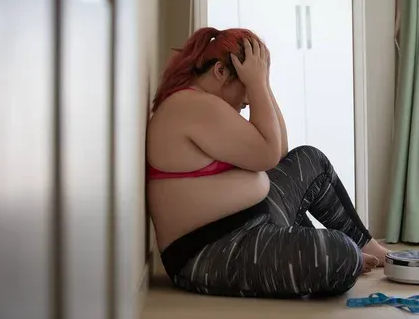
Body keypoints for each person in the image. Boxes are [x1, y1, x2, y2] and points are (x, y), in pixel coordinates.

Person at [146, 27, 389, 298]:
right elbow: (268, 154)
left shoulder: (204, 104)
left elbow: (279, 151)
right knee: (341, 254)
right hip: (212, 252)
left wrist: (261, 82)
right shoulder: (193, 106)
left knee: (311, 160)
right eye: (245, 86)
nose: (248, 101)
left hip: (253, 224)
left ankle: (367, 245)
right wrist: (257, 85)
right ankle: (347, 253)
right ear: (220, 71)